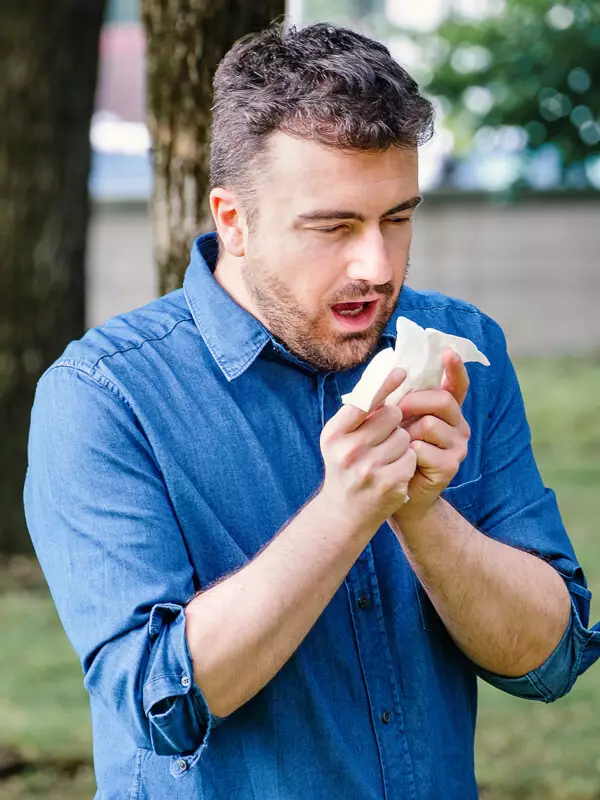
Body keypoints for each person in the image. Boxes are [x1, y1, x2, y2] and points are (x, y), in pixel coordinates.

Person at [24, 22, 599, 800]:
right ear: (233, 219)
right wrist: (344, 513)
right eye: (334, 227)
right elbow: (159, 704)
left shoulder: (462, 350)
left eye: (398, 218)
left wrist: (423, 516)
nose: (377, 265)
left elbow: (550, 661)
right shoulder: (105, 395)